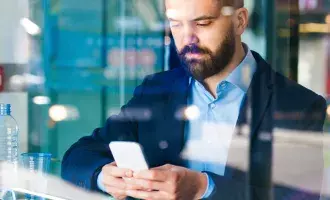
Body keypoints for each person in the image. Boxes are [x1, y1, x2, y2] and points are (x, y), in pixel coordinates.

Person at [62, 0, 326, 199]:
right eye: (175, 24)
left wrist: (203, 187)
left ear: (239, 21)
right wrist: (102, 176)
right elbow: (78, 157)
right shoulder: (155, 91)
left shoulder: (299, 105)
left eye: (202, 23)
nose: (187, 39)